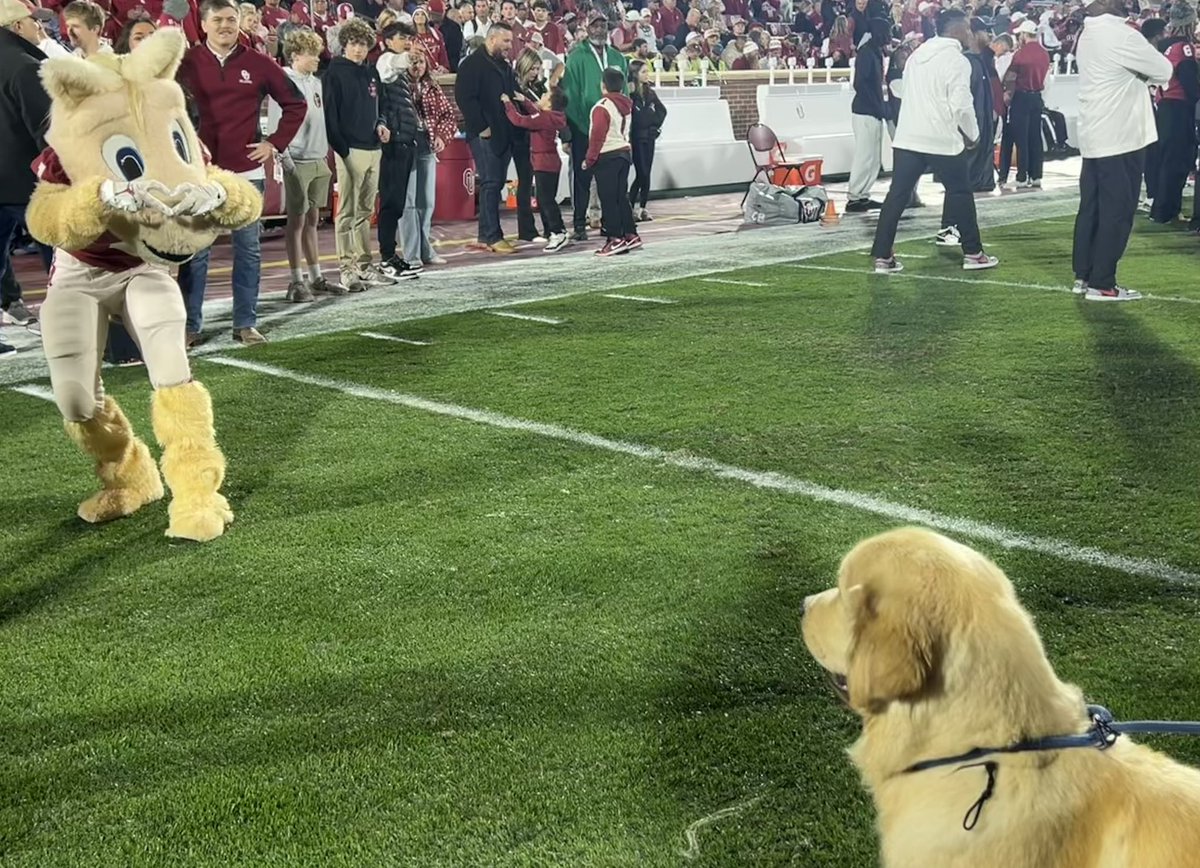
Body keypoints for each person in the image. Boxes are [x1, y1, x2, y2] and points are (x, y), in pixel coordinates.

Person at [178, 0, 306, 346]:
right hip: (200, 175)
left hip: (247, 173)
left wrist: (274, 143)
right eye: (217, 19)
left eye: (231, 20)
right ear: (203, 24)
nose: (225, 26)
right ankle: (190, 326)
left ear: (240, 24)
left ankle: (245, 323)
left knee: (248, 250)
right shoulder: (185, 63)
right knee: (196, 253)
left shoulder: (258, 62)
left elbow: (296, 103)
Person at [870, 9, 999, 274]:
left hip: (909, 138)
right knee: (961, 192)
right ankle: (973, 253)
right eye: (966, 27)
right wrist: (973, 135)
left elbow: (906, 91)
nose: (969, 32)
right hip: (942, 139)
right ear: (956, 29)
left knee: (896, 195)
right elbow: (962, 105)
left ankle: (883, 256)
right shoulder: (957, 60)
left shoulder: (918, 55)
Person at [1071, 0, 1172, 300]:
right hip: (1122, 135)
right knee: (1117, 210)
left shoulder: (1088, 34)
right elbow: (1164, 69)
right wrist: (1143, 75)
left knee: (1092, 207)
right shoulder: (1121, 34)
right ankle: (1102, 282)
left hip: (1095, 134)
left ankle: (1084, 275)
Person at [323, 17, 399, 290]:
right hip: (350, 150)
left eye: (363, 44)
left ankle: (365, 265)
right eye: (353, 43)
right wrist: (342, 151)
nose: (358, 49)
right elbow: (330, 117)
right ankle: (347, 268)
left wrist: (382, 125)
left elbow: (382, 106)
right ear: (344, 44)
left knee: (366, 210)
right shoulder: (334, 73)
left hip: (373, 148)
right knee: (347, 211)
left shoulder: (371, 72)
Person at [273, 28, 347, 303]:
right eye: (311, 54)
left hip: (317, 157)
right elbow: (277, 122)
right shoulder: (282, 82)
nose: (317, 59)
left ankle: (316, 277)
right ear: (295, 55)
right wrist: (286, 160)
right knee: (297, 220)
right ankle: (296, 280)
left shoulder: (316, 83)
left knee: (314, 219)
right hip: (297, 159)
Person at [0, 0, 52, 347]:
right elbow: (47, 133)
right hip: (27, 184)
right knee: (61, 262)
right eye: (34, 21)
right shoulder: (24, 65)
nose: (40, 28)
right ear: (17, 26)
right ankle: (69, 329)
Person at [455, 21, 520, 253]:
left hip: (504, 132)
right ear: (491, 39)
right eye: (506, 41)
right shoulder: (472, 64)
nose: (509, 46)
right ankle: (493, 236)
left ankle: (485, 235)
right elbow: (464, 98)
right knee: (492, 182)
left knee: (496, 182)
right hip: (485, 133)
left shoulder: (504, 65)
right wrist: (481, 127)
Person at [563, 12, 628, 241]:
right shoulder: (576, 57)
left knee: (610, 181)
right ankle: (580, 224)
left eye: (603, 25)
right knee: (582, 178)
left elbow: (625, 92)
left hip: (612, 131)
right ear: (587, 29)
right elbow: (569, 96)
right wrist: (579, 128)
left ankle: (609, 223)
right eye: (595, 25)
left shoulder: (617, 58)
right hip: (584, 128)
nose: (599, 29)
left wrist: (621, 122)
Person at [402, 47, 458, 267]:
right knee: (408, 204)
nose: (417, 67)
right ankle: (411, 254)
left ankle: (426, 250)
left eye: (421, 63)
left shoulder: (432, 86)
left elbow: (448, 117)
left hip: (427, 146)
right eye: (412, 62)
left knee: (426, 202)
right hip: (405, 147)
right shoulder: (398, 84)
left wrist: (442, 138)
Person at [377, 20, 422, 280]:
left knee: (397, 204)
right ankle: (386, 258)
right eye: (402, 37)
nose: (407, 42)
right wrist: (407, 57)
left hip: (404, 142)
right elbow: (390, 66)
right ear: (388, 41)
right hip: (393, 144)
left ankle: (392, 256)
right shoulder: (386, 61)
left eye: (409, 38)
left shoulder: (402, 73)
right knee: (391, 203)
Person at [1147, 2, 1197, 225]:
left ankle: (1161, 208)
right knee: (1176, 161)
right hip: (1177, 108)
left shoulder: (1165, 47)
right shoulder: (1182, 48)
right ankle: (1167, 210)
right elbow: (1191, 85)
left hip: (1165, 107)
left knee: (1167, 159)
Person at [503, 87, 571, 251]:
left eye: (545, 95)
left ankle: (557, 232)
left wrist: (507, 104)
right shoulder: (553, 117)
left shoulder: (545, 118)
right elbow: (537, 114)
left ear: (549, 103)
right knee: (547, 199)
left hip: (543, 163)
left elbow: (519, 120)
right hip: (551, 162)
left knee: (545, 200)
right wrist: (524, 101)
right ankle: (560, 229)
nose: (541, 96)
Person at [585, 66, 640, 256]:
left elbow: (597, 136)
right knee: (620, 197)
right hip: (624, 153)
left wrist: (589, 159)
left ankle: (615, 238)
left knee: (608, 199)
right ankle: (630, 233)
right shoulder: (627, 105)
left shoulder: (602, 106)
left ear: (603, 85)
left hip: (607, 155)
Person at [845, 16, 891, 212]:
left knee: (874, 156)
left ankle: (863, 194)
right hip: (865, 111)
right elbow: (860, 84)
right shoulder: (866, 53)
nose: (889, 37)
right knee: (865, 155)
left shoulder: (874, 52)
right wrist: (876, 106)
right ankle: (854, 196)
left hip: (872, 110)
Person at [1003, 18, 1050, 189]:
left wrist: (1007, 93)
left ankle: (1022, 176)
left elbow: (1011, 77)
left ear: (1024, 35)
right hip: (1036, 97)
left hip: (1021, 97)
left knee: (1021, 138)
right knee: (1035, 137)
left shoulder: (1020, 54)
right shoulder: (1044, 53)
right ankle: (1036, 175)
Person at [627, 58, 667, 222]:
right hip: (636, 138)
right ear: (635, 74)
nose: (646, 75)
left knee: (646, 173)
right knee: (641, 172)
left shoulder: (650, 93)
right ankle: (630, 206)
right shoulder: (630, 94)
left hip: (649, 138)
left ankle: (642, 207)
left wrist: (654, 126)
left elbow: (662, 111)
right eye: (643, 72)